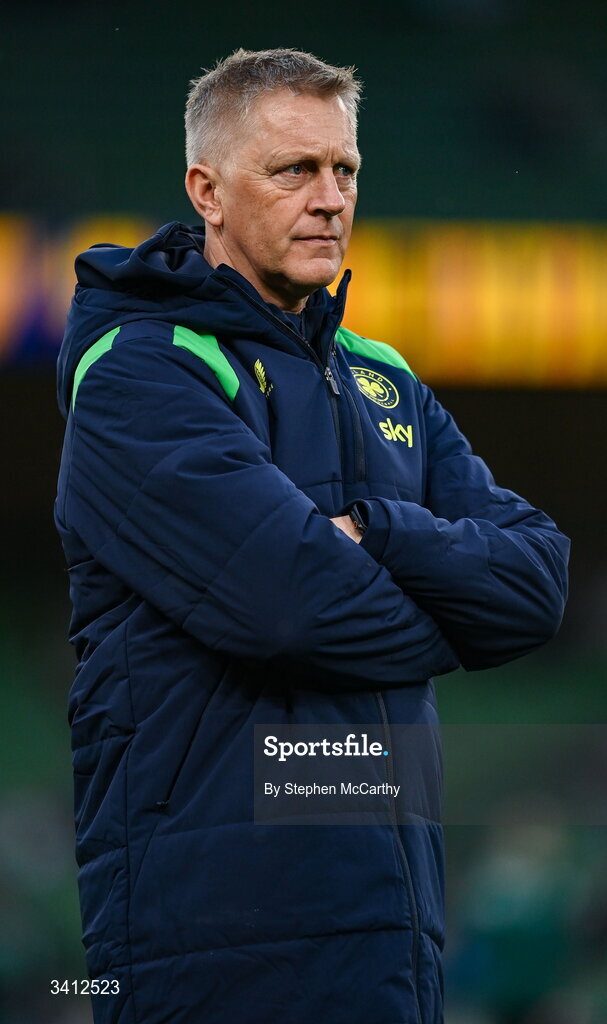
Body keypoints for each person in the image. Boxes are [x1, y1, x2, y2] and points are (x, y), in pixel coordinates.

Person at [54, 47, 569, 1024]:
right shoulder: (138, 372)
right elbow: (290, 607)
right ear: (206, 191)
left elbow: (537, 583)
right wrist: (449, 620)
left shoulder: (384, 375)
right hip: (212, 943)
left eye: (344, 170)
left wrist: (372, 529)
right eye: (294, 169)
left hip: (392, 935)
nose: (329, 198)